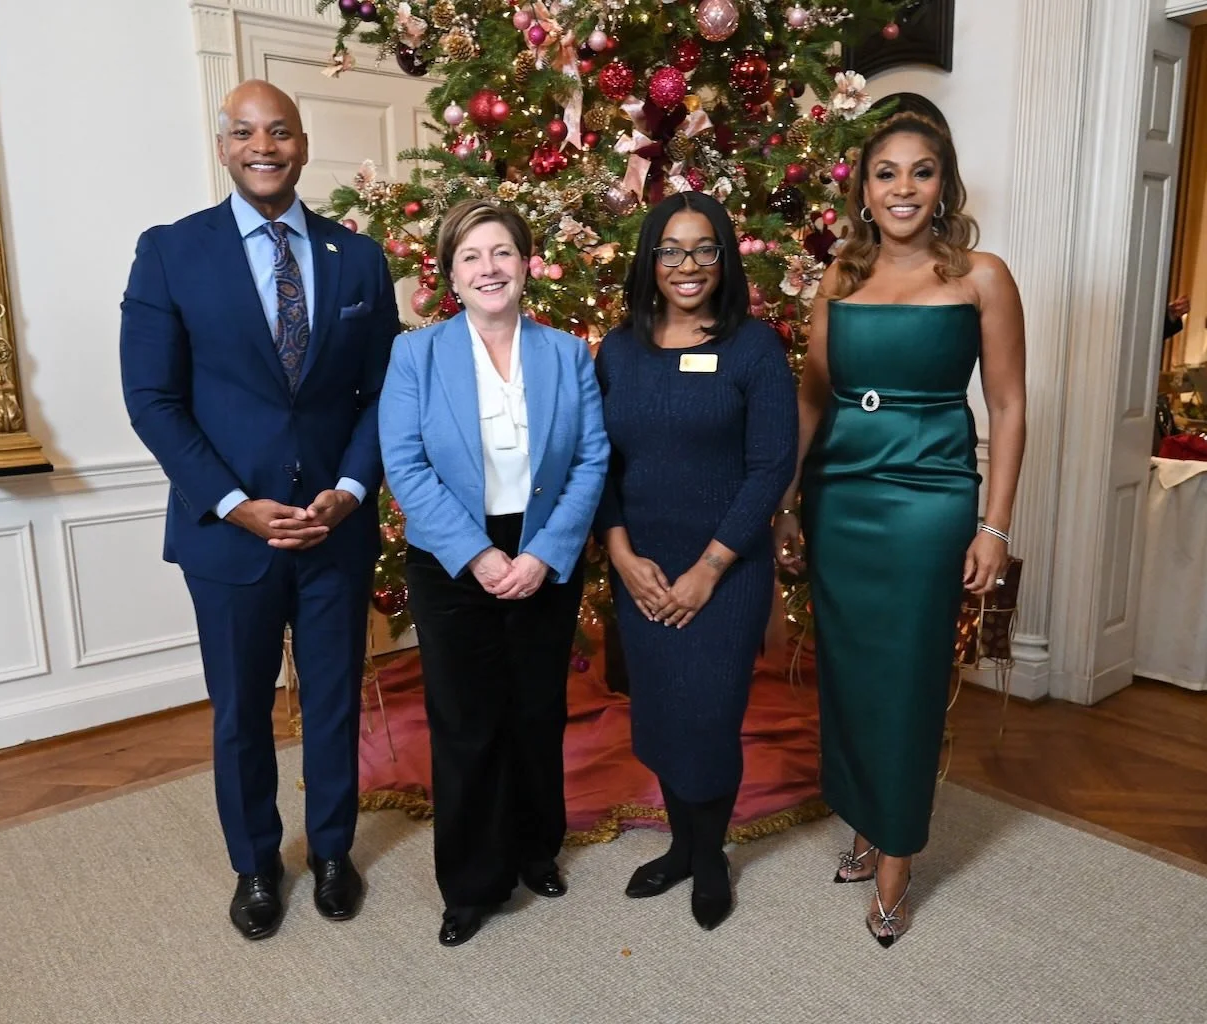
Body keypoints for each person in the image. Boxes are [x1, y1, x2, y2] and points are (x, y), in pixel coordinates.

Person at [120, 80, 398, 940]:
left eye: (279, 131)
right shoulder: (171, 252)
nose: (263, 146)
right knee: (241, 710)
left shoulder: (358, 257)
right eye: (244, 132)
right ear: (224, 148)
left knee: (334, 700)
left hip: (333, 530)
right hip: (228, 536)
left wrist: (351, 490)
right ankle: (255, 865)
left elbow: (383, 394)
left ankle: (332, 852)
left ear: (302, 145)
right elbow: (152, 399)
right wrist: (236, 504)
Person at [774, 112, 1026, 946]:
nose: (904, 189)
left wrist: (994, 526)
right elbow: (813, 396)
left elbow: (1009, 406)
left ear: (944, 185)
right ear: (864, 189)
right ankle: (864, 820)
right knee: (849, 672)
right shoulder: (840, 275)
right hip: (840, 494)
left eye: (922, 171)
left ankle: (897, 858)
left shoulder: (983, 276)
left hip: (930, 498)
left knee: (910, 678)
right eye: (887, 173)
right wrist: (786, 500)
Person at [378, 199, 608, 947]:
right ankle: (472, 883)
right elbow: (405, 465)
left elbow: (592, 458)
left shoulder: (567, 353)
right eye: (471, 256)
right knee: (466, 721)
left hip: (544, 550)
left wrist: (543, 553)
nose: (489, 268)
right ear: (450, 273)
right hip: (452, 557)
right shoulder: (415, 355)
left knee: (537, 712)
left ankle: (536, 851)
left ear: (526, 264)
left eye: (502, 252)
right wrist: (477, 554)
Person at [594, 192, 798, 931]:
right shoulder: (618, 350)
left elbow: (770, 467)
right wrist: (620, 552)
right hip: (642, 568)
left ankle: (710, 859)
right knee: (659, 712)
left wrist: (710, 568)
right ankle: (682, 846)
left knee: (709, 715)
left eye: (704, 248)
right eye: (672, 250)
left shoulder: (753, 348)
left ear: (725, 256)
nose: (689, 265)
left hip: (726, 569)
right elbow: (596, 462)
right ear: (651, 259)